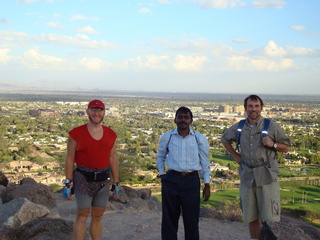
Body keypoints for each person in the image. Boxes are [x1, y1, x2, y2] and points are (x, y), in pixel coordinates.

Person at [221, 94, 291, 240]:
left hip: (266, 176)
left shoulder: (271, 126)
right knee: (251, 216)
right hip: (247, 176)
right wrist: (235, 156)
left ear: (261, 108)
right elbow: (225, 139)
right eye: (251, 106)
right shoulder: (239, 127)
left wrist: (274, 145)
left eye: (257, 106)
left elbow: (287, 147)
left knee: (270, 218)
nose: (254, 109)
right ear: (245, 108)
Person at [64, 99, 120, 240]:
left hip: (103, 179)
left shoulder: (110, 134)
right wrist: (68, 182)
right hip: (83, 178)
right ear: (87, 111)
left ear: (104, 112)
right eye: (93, 110)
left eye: (100, 110)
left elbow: (112, 158)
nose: (97, 113)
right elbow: (70, 158)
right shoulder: (76, 134)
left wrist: (116, 182)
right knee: (82, 216)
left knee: (98, 216)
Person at [156, 106, 211, 240]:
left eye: (186, 117)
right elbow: (160, 156)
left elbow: (205, 162)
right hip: (171, 180)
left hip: (191, 181)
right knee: (169, 220)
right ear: (175, 119)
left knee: (191, 221)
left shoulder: (199, 138)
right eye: (180, 117)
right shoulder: (167, 137)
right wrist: (162, 174)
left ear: (191, 120)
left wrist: (207, 183)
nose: (183, 120)